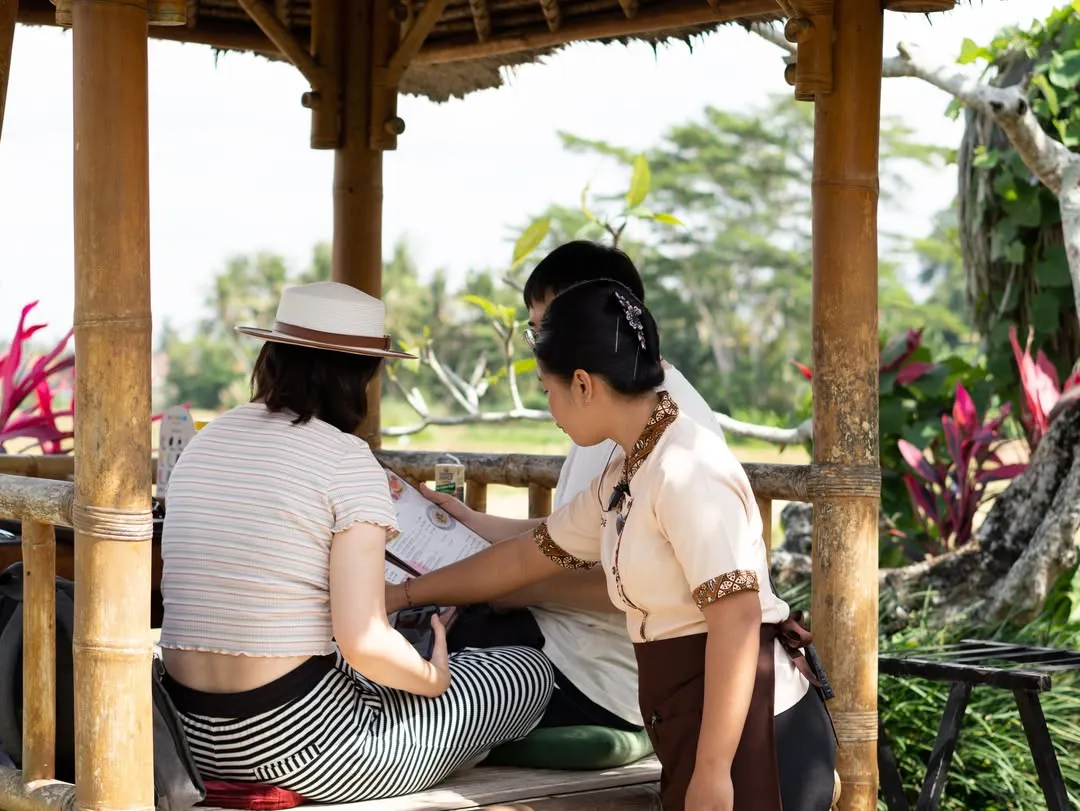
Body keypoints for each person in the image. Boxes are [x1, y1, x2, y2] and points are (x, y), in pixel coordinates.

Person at [390, 279, 837, 811]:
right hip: (693, 721)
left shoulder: (686, 468)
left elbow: (737, 618)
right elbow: (525, 554)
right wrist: (405, 596)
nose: (548, 406)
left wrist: (714, 771)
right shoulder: (629, 468)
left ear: (582, 384)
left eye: (547, 387)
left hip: (755, 732)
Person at [157, 281, 554, 803]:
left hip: (186, 735)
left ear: (272, 356)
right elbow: (364, 641)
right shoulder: (344, 458)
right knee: (525, 673)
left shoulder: (206, 442)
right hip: (299, 748)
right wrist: (434, 678)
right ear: (361, 375)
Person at [423, 240, 727, 733]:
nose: (542, 354)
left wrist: (515, 590)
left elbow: (647, 582)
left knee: (421, 651)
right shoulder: (624, 413)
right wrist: (475, 525)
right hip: (571, 644)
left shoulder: (668, 448)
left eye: (542, 332)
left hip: (598, 674)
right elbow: (576, 535)